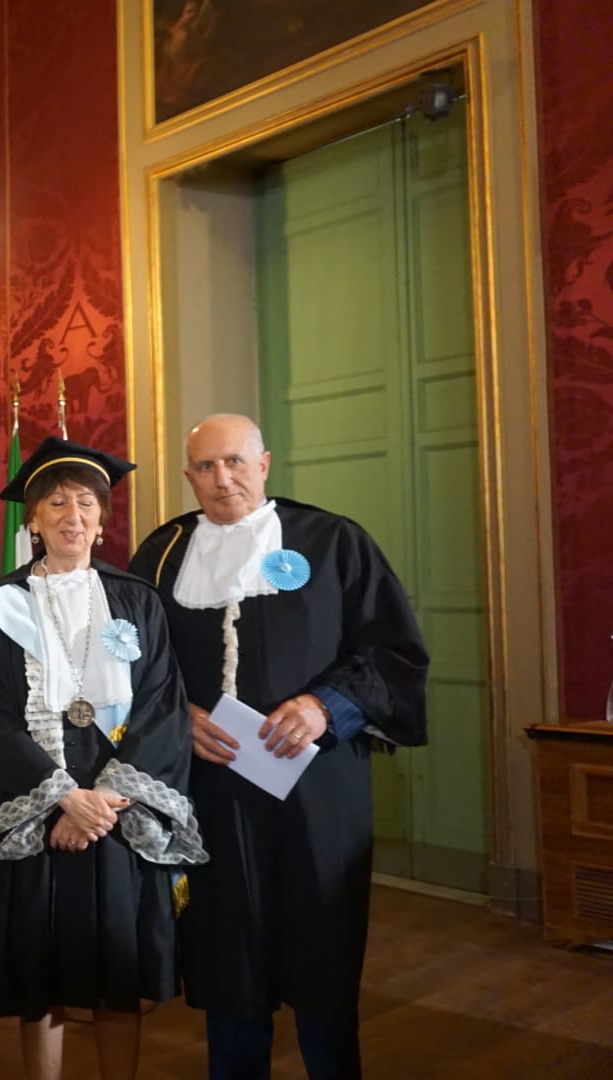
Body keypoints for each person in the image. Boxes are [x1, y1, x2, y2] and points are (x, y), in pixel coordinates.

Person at [129, 413, 429, 1080]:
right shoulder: (160, 555)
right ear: (187, 476)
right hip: (211, 791)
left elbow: (395, 654)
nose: (221, 478)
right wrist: (178, 712)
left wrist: (328, 706)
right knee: (228, 955)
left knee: (324, 951)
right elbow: (127, 665)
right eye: (204, 467)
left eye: (235, 462)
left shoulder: (334, 542)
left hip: (318, 790)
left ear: (265, 465)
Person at [0, 437, 207, 1080]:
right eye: (57, 503)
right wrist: (62, 798)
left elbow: (161, 706)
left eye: (87, 503)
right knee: (41, 977)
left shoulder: (137, 600)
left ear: (102, 518)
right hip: (40, 816)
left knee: (115, 974)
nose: (74, 515)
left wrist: (102, 805)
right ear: (33, 520)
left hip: (116, 819)